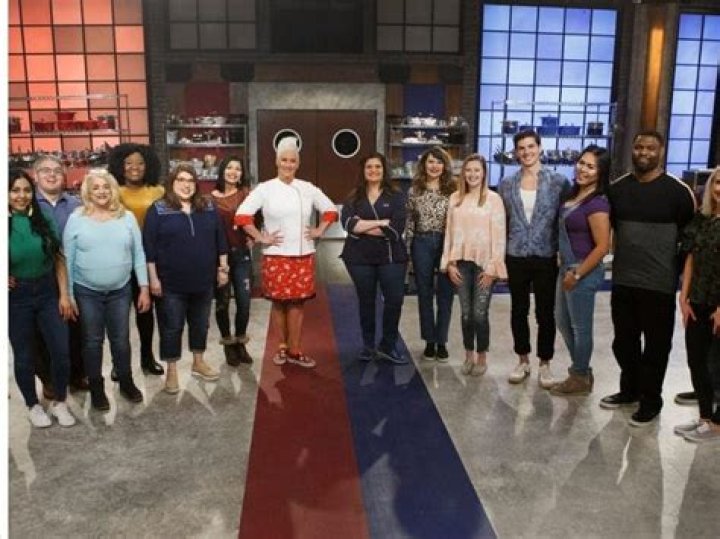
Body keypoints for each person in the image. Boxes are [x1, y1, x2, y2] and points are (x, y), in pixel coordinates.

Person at [601, 130, 696, 426]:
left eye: (650, 148)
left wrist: (682, 282)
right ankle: (629, 390)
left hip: (660, 284)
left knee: (656, 347)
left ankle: (651, 400)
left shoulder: (678, 192)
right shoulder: (618, 189)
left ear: (661, 152)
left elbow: (689, 240)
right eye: (639, 147)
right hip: (623, 281)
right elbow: (611, 229)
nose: (643, 152)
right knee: (623, 343)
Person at [234, 136, 338, 368]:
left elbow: (331, 210)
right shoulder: (265, 189)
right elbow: (242, 216)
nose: (288, 165)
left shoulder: (307, 188)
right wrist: (260, 237)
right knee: (279, 303)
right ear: (276, 161)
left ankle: (295, 349)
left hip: (302, 255)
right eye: (284, 160)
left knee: (297, 304)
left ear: (298, 164)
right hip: (276, 254)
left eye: (293, 161)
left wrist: (319, 230)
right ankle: (282, 347)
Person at [63, 169, 148, 410]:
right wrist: (69, 294)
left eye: (106, 187)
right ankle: (97, 388)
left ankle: (126, 382)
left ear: (113, 190)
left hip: (120, 291)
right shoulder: (76, 219)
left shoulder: (127, 217)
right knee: (92, 342)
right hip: (86, 292)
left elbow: (138, 254)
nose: (101, 191)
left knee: (121, 340)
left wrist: (143, 287)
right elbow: (67, 259)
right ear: (88, 192)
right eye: (96, 187)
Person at [143, 164, 229, 394]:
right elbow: (149, 249)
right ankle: (171, 371)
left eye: (190, 180)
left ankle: (198, 362)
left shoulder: (208, 207)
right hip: (170, 284)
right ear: (172, 183)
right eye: (180, 180)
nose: (186, 184)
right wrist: (153, 279)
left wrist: (223, 268)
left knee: (201, 324)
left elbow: (220, 239)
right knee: (172, 327)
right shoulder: (158, 209)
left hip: (203, 281)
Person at [497, 130, 571, 388]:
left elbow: (565, 221)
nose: (526, 152)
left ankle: (545, 363)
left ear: (539, 148)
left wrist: (563, 252)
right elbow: (502, 222)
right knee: (518, 310)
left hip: (546, 255)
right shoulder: (507, 184)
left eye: (530, 146)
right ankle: (523, 360)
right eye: (521, 148)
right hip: (516, 254)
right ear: (516, 152)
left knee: (545, 312)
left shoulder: (559, 182)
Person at [8, 169, 76, 427]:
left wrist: (64, 295)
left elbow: (58, 258)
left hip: (48, 291)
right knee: (24, 355)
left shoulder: (43, 217)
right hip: (17, 297)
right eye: (15, 190)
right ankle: (33, 405)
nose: (21, 196)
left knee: (61, 351)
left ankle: (60, 401)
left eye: (26, 190)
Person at [549, 146, 611, 396]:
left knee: (580, 327)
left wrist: (577, 274)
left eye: (590, 166)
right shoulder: (574, 195)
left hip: (582, 271)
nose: (582, 169)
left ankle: (579, 375)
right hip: (566, 267)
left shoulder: (597, 203)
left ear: (600, 172)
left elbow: (603, 246)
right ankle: (582, 371)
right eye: (581, 163)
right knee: (562, 322)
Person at [440, 154, 506, 376]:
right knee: (466, 313)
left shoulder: (494, 199)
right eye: (468, 170)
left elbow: (500, 236)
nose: (472, 174)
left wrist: (493, 268)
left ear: (484, 173)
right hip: (460, 263)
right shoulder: (455, 198)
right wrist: (449, 263)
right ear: (463, 173)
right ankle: (468, 355)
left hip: (484, 265)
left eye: (477, 170)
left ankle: (482, 356)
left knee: (479, 313)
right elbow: (449, 233)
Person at [340, 152, 409, 364]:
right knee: (366, 301)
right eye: (369, 167)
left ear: (384, 170)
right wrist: (380, 223)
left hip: (391, 257)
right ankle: (368, 346)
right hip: (359, 258)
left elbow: (395, 230)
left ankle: (388, 345)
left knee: (394, 300)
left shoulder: (397, 196)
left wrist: (363, 225)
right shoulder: (353, 197)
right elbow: (348, 225)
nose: (373, 170)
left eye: (378, 166)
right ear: (363, 171)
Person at [107, 143, 165, 377]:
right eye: (128, 163)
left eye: (140, 163)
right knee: (118, 317)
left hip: (150, 260)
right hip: (120, 260)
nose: (135, 167)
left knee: (145, 313)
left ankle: (147, 358)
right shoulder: (113, 191)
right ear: (119, 166)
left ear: (148, 165)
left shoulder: (159, 191)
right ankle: (118, 363)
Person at [32, 155, 86, 394]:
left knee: (77, 329)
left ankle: (77, 375)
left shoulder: (77, 205)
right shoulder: (25, 205)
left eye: (56, 170)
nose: (52, 174)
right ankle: (48, 380)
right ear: (35, 176)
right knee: (40, 333)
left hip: (75, 275)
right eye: (45, 170)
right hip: (40, 277)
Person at [674, 166, 720, 442]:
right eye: (717, 183)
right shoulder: (702, 220)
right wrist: (684, 295)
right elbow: (690, 257)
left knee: (717, 365)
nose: (719, 189)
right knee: (696, 360)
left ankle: (717, 424)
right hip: (698, 299)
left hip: (718, 303)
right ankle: (704, 417)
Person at [405, 146, 456, 362]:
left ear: (445, 166)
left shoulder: (453, 190)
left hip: (446, 242)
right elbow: (410, 221)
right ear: (424, 165)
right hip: (421, 242)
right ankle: (429, 341)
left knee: (446, 294)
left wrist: (455, 250)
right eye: (431, 161)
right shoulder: (414, 190)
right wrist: (408, 251)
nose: (435, 166)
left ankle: (441, 341)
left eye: (439, 162)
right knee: (424, 293)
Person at [210, 156, 253, 366]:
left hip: (242, 255)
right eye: (229, 168)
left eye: (238, 169)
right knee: (222, 302)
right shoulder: (210, 199)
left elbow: (257, 217)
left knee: (244, 302)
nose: (233, 172)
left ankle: (240, 341)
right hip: (219, 258)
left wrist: (254, 236)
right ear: (222, 170)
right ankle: (228, 343)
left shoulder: (246, 194)